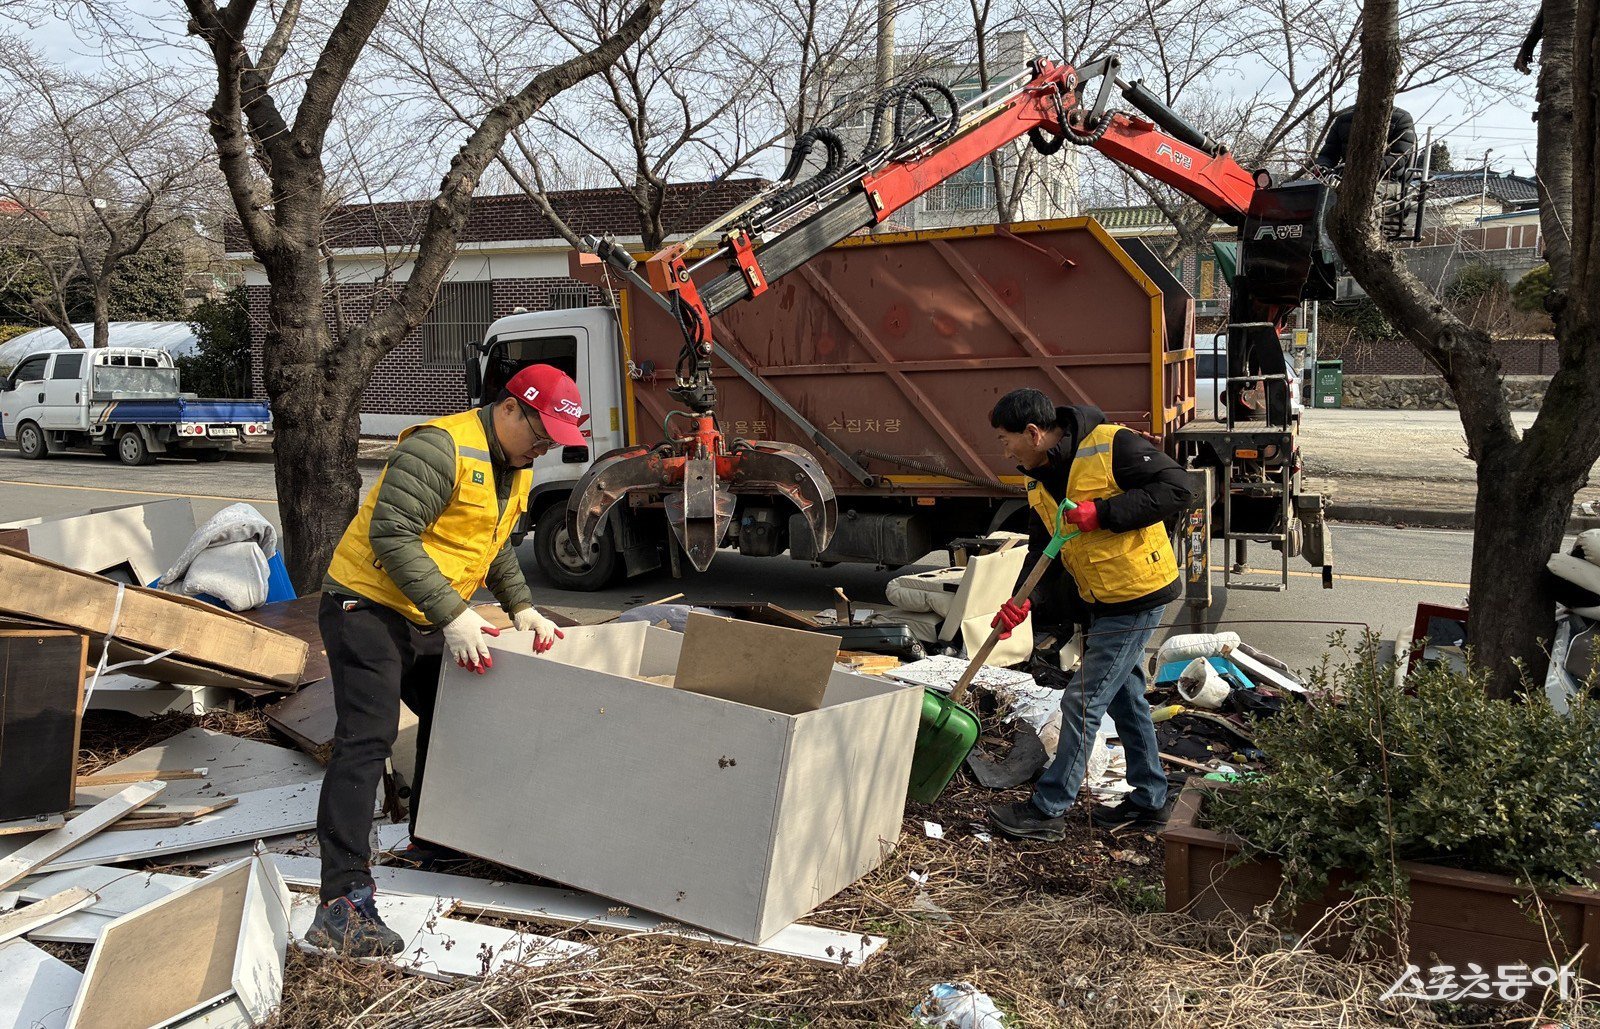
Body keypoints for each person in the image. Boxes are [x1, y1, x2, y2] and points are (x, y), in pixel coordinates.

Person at [306, 364, 587, 956]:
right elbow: (392, 534)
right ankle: (341, 902)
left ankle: (434, 841)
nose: (542, 449)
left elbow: (493, 546)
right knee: (368, 738)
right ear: (508, 408)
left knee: (456, 714)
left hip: (425, 610)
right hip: (366, 605)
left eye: (552, 442)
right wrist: (454, 615)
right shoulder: (440, 448)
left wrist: (523, 607)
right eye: (540, 434)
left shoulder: (513, 465)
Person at [985, 389, 1193, 840]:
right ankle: (1150, 798)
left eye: (1005, 440)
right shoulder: (1037, 478)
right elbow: (1045, 548)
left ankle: (1048, 811)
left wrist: (1102, 512)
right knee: (1126, 697)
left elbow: (1179, 488)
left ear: (1033, 433)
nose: (1004, 451)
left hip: (1138, 593)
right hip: (1100, 597)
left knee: (1082, 700)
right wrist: (1025, 599)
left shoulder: (1112, 444)